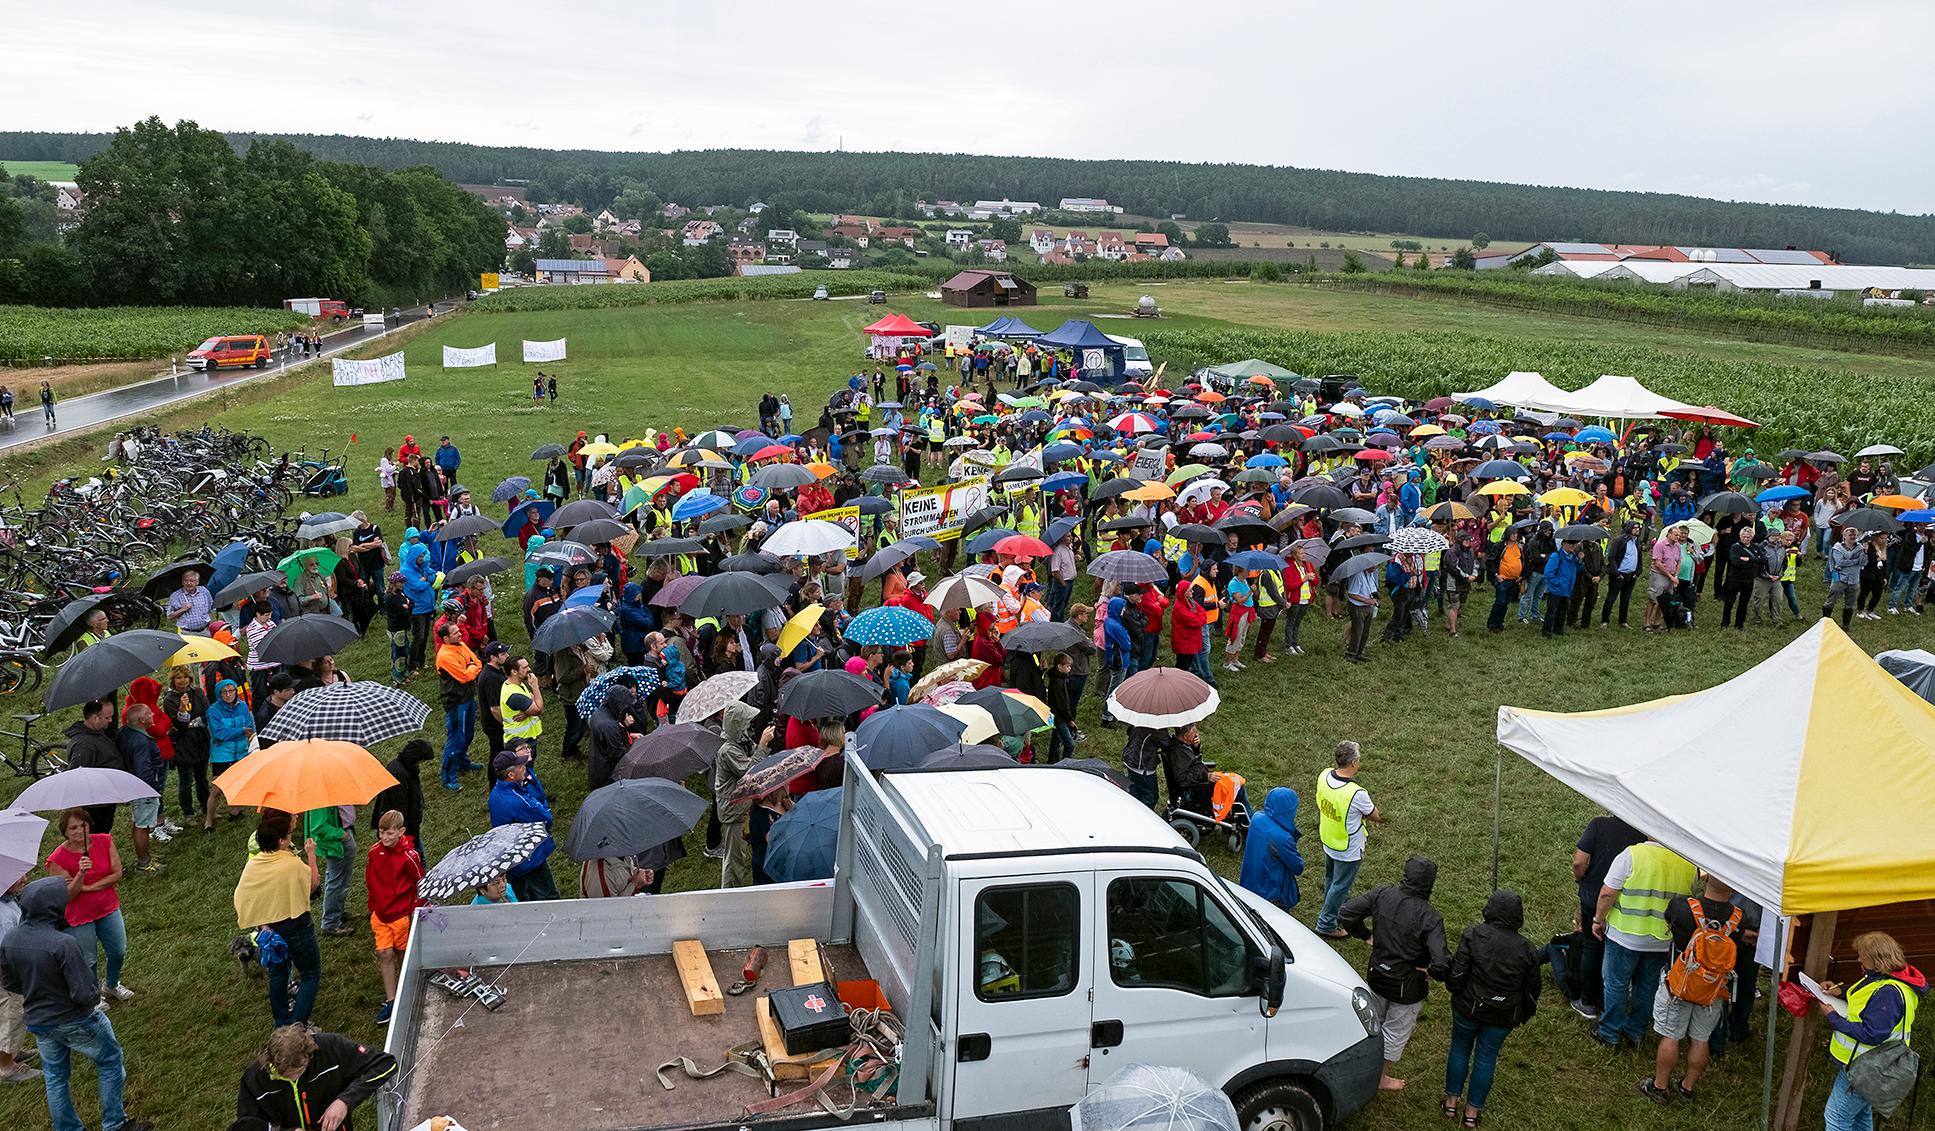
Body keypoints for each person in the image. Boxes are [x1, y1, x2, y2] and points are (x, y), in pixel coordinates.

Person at [0, 877, 153, 1131]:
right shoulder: (64, 944)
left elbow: (10, 983)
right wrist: (92, 998)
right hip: (76, 1019)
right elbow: (85, 993)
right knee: (110, 1060)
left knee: (56, 1076)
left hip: (39, 1022)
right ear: (53, 908)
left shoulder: (11, 939)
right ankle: (115, 1124)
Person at [1339, 856, 1450, 1092]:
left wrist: (1366, 935)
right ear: (1430, 883)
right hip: (1407, 987)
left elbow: (1348, 912)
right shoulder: (1430, 917)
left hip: (1377, 974)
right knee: (1395, 1032)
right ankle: (1379, 1077)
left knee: (1372, 1021)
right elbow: (1442, 963)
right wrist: (1430, 971)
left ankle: (1360, 1064)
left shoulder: (1382, 894)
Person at [1642, 873, 1753, 1105]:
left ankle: (1659, 1086)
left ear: (1706, 878)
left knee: (1671, 1036)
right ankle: (1687, 1088)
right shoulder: (1739, 920)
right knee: (1700, 1039)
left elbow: (1670, 924)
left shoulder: (1682, 908)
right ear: (1733, 889)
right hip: (1712, 991)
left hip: (1679, 986)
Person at [1441, 889, 1541, 1128]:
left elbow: (1458, 971)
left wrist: (1455, 990)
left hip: (1468, 1008)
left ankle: (1451, 1103)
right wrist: (1522, 1015)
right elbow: (1532, 990)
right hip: (1502, 1016)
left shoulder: (1473, 935)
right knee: (1486, 1058)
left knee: (1459, 1048)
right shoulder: (1527, 948)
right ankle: (1472, 1114)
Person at [1593, 835, 1697, 1049]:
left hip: (1624, 934)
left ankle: (1609, 1032)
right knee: (1647, 986)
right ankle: (1635, 1031)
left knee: (1616, 983)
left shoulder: (1631, 855)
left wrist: (1598, 920)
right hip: (1662, 939)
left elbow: (1607, 893)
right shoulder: (1688, 863)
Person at [1817, 930, 1926, 1131]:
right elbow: (1867, 998)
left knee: (1836, 1119)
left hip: (1865, 1067)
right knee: (1860, 1115)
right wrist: (1840, 991)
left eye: (1863, 956)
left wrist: (1833, 1017)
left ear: (1878, 961)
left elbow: (1872, 1033)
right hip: (1872, 1066)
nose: (1858, 959)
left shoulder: (1889, 993)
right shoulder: (1883, 978)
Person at [234, 810, 322, 1028]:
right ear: (281, 841)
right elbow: (313, 884)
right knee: (310, 973)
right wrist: (311, 854)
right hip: (297, 926)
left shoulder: (253, 865)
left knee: (278, 973)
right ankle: (297, 1026)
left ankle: (281, 1024)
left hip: (271, 930)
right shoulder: (290, 864)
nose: (291, 837)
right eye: (289, 835)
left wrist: (263, 924)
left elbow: (242, 895)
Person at [234, 1025, 397, 1131]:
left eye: (297, 1072)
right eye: (283, 1075)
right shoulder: (255, 1077)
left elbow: (386, 1063)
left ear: (308, 1055)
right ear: (270, 1062)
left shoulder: (331, 1048)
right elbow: (245, 1126)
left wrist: (345, 1101)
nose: (292, 1079)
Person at [43, 810, 131, 1004]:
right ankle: (93, 995)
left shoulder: (104, 841)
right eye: (73, 828)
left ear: (89, 825)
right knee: (88, 959)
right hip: (77, 915)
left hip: (107, 906)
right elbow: (66, 896)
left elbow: (117, 874)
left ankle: (111, 984)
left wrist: (89, 887)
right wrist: (81, 874)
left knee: (118, 950)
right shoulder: (57, 859)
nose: (79, 831)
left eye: (83, 825)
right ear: (65, 832)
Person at [1570, 814, 1644, 1021]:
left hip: (1593, 896)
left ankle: (1588, 1002)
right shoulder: (1643, 832)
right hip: (1624, 902)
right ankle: (1608, 1000)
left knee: (1592, 947)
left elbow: (1579, 862)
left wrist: (1582, 879)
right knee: (1615, 950)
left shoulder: (1599, 825)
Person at [1314, 740, 1382, 939]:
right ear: (1353, 763)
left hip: (1328, 838)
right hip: (1347, 847)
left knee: (1331, 880)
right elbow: (1375, 815)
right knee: (1340, 886)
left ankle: (1336, 911)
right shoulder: (1357, 793)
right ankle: (1326, 923)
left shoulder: (1324, 775)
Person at [365, 810, 424, 1025]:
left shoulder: (410, 856)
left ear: (401, 832)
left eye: (389, 833)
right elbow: (369, 880)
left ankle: (408, 992)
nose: (384, 838)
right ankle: (391, 1000)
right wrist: (374, 906)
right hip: (380, 914)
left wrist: (417, 909)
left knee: (402, 955)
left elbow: (419, 882)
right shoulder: (374, 853)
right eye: (381, 832)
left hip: (401, 916)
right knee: (383, 953)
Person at [487, 749, 558, 901]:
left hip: (509, 856)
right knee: (549, 895)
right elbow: (546, 817)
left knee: (521, 895)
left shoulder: (496, 792)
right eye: (520, 766)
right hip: (529, 857)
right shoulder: (517, 800)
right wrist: (542, 803)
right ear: (511, 775)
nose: (524, 766)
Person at [62, 698, 123, 835]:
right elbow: (76, 777)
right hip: (94, 806)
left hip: (103, 799)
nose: (110, 721)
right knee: (96, 838)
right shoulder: (85, 745)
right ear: (95, 718)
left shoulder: (95, 734)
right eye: (107, 717)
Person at [1237, 787, 1304, 912]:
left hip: (1250, 883)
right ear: (1289, 810)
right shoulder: (1282, 838)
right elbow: (1298, 867)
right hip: (1270, 893)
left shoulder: (1257, 818)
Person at [116, 702, 165, 872]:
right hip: (144, 789)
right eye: (149, 713)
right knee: (142, 826)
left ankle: (145, 857)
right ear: (142, 719)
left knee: (139, 823)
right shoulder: (140, 741)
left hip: (134, 786)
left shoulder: (125, 732)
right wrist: (153, 790)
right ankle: (144, 863)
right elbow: (143, 768)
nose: (153, 714)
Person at [161, 666, 210, 829]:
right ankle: (188, 812)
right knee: (186, 780)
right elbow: (179, 725)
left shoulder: (197, 692)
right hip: (183, 744)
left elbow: (206, 712)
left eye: (185, 677)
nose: (182, 681)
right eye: (178, 678)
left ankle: (205, 806)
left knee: (202, 777)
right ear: (173, 680)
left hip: (200, 740)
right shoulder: (170, 699)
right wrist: (182, 710)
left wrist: (192, 722)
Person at [435, 621, 481, 790]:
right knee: (456, 738)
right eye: (455, 633)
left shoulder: (460, 645)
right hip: (455, 702)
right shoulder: (445, 656)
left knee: (468, 733)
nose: (460, 634)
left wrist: (470, 667)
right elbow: (464, 677)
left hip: (468, 697)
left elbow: (477, 662)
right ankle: (448, 777)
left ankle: (462, 762)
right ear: (446, 638)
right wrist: (470, 667)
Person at [303, 798, 357, 937]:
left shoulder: (330, 790)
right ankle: (331, 923)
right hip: (336, 842)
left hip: (341, 837)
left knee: (341, 879)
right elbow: (318, 827)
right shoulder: (319, 797)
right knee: (336, 880)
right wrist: (342, 835)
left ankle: (337, 913)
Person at [165, 568, 214, 634]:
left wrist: (211, 625)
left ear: (197, 582)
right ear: (182, 582)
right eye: (186, 581)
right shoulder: (176, 596)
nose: (188, 583)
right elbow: (169, 616)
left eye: (192, 581)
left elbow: (210, 609)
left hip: (205, 631)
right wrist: (183, 609)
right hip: (186, 633)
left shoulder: (204, 591)